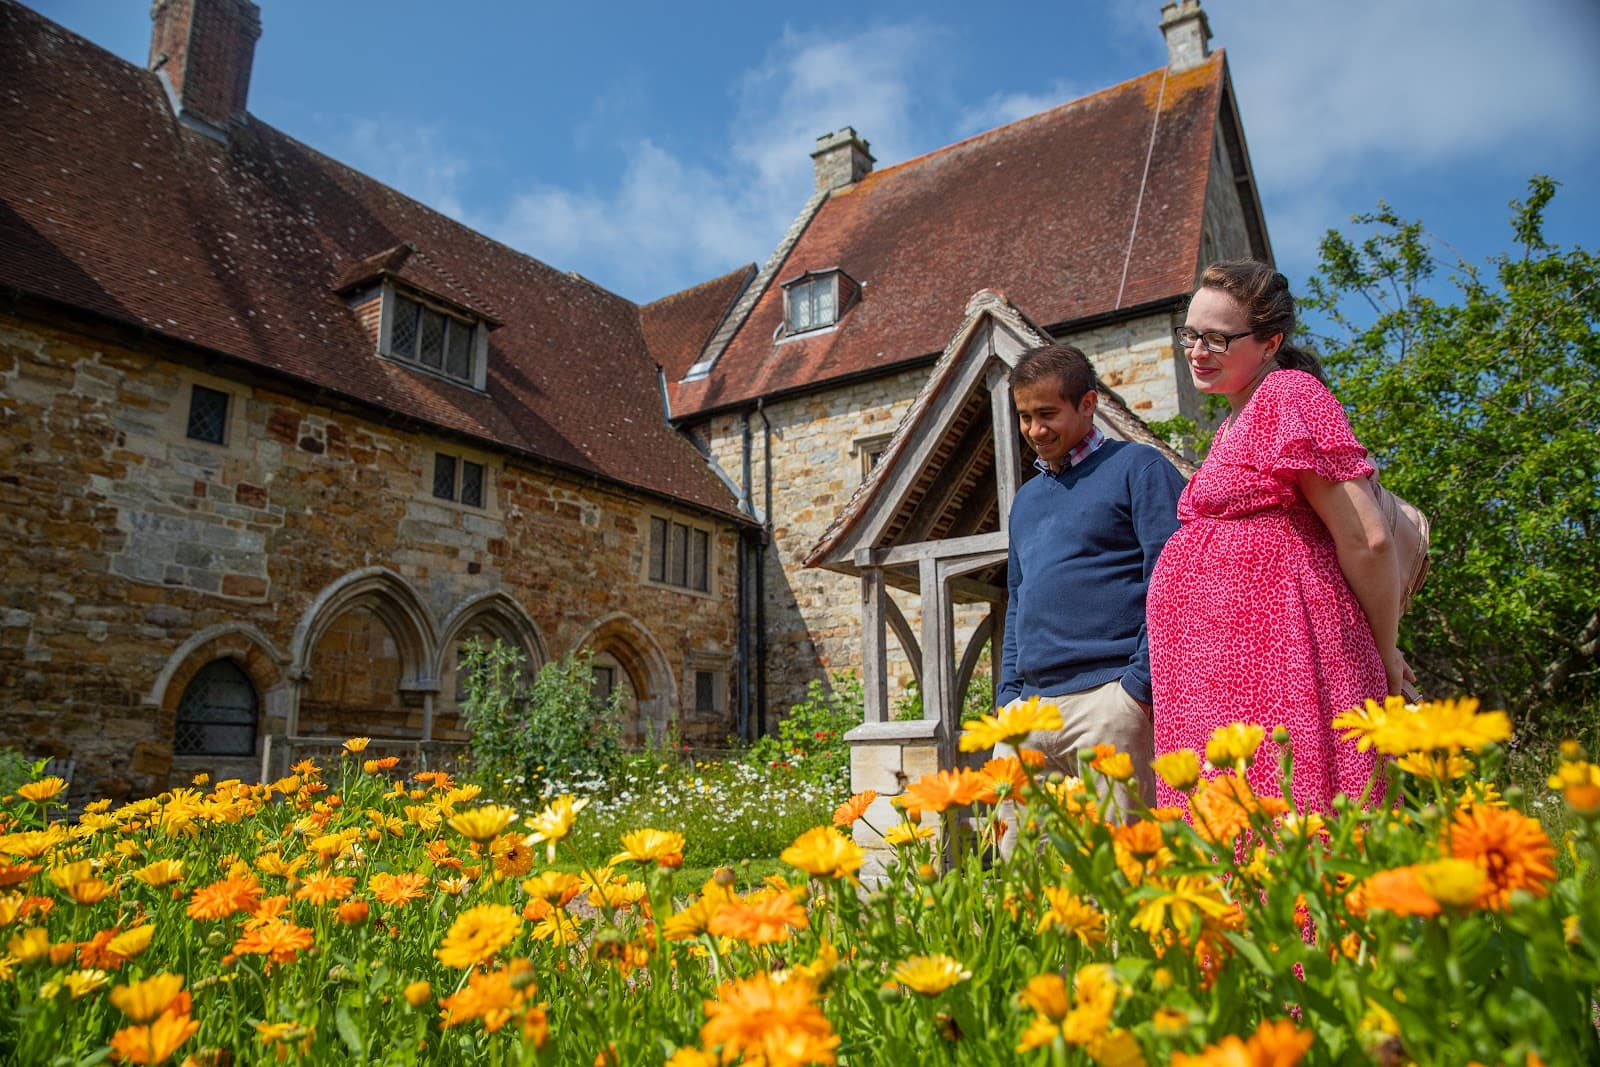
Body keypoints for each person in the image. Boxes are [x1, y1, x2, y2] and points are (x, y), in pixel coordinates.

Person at [1146, 259, 1405, 814]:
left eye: (1217, 338)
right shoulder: (1231, 424)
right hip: (1221, 676)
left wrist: (1385, 654)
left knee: (1293, 818)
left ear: (1269, 344)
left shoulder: (1289, 394)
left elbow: (1369, 539)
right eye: (1190, 334)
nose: (1196, 351)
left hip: (1285, 661)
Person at [995, 344, 1186, 838]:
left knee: (1124, 876)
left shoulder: (1139, 469)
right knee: (1023, 884)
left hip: (1109, 703)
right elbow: (1018, 599)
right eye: (1024, 417)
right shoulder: (1026, 501)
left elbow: (1172, 583)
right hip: (1027, 714)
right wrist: (1008, 697)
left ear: (1087, 404)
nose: (1035, 430)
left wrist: (1136, 691)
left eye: (1047, 414)